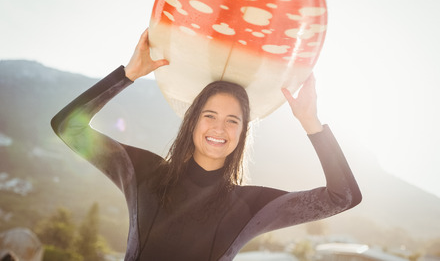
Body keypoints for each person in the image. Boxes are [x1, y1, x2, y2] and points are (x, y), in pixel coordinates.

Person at [51, 29, 362, 261]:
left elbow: (343, 196)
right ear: (192, 122)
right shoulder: (143, 173)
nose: (219, 128)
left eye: (232, 120)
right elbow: (68, 127)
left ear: (242, 134)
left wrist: (310, 121)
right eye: (209, 115)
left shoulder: (252, 207)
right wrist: (127, 75)